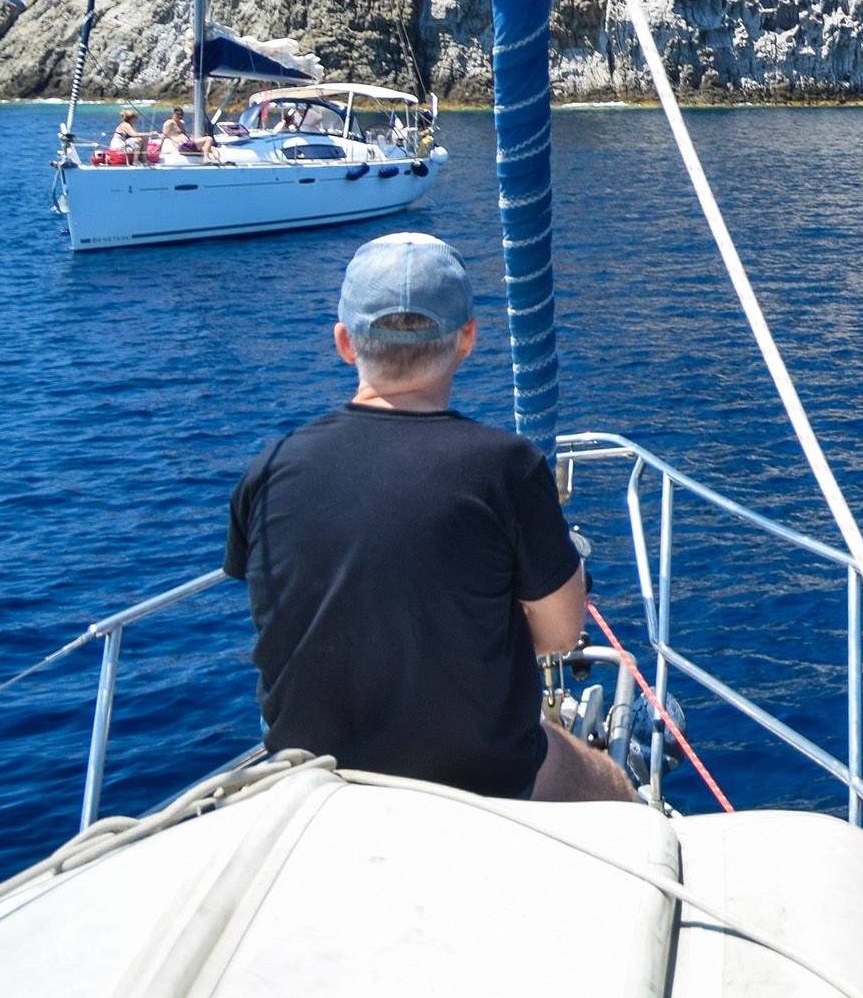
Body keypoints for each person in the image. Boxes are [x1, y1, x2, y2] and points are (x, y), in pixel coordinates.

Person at [224, 232, 632, 802]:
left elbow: (279, 600)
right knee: (606, 782)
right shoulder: (507, 467)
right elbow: (561, 633)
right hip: (477, 774)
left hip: (312, 776)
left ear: (344, 343)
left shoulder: (269, 469)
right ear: (467, 339)